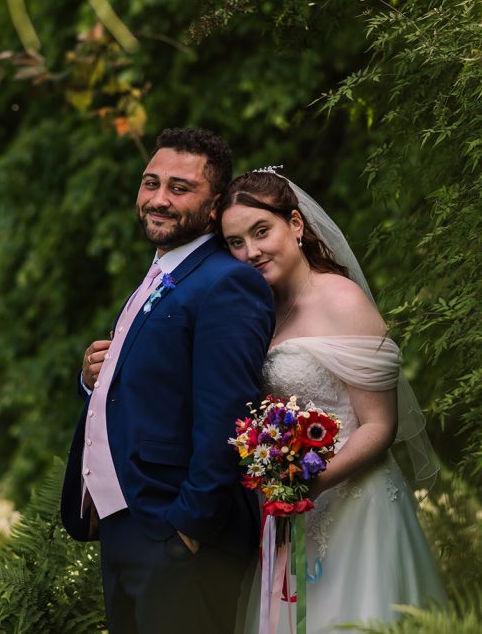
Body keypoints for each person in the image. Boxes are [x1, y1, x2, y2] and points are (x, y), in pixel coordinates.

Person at [60, 128, 275, 634]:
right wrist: (94, 379)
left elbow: (230, 414)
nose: (157, 199)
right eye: (150, 182)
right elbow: (154, 387)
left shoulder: (228, 282)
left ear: (214, 204)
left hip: (176, 536)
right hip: (126, 528)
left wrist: (187, 529)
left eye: (179, 188)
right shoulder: (162, 273)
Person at [218, 168, 448, 633]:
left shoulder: (342, 300)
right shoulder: (261, 314)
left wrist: (312, 484)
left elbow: (380, 426)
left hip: (358, 510)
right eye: (236, 243)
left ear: (296, 225)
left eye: (261, 232)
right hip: (291, 516)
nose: (250, 252)